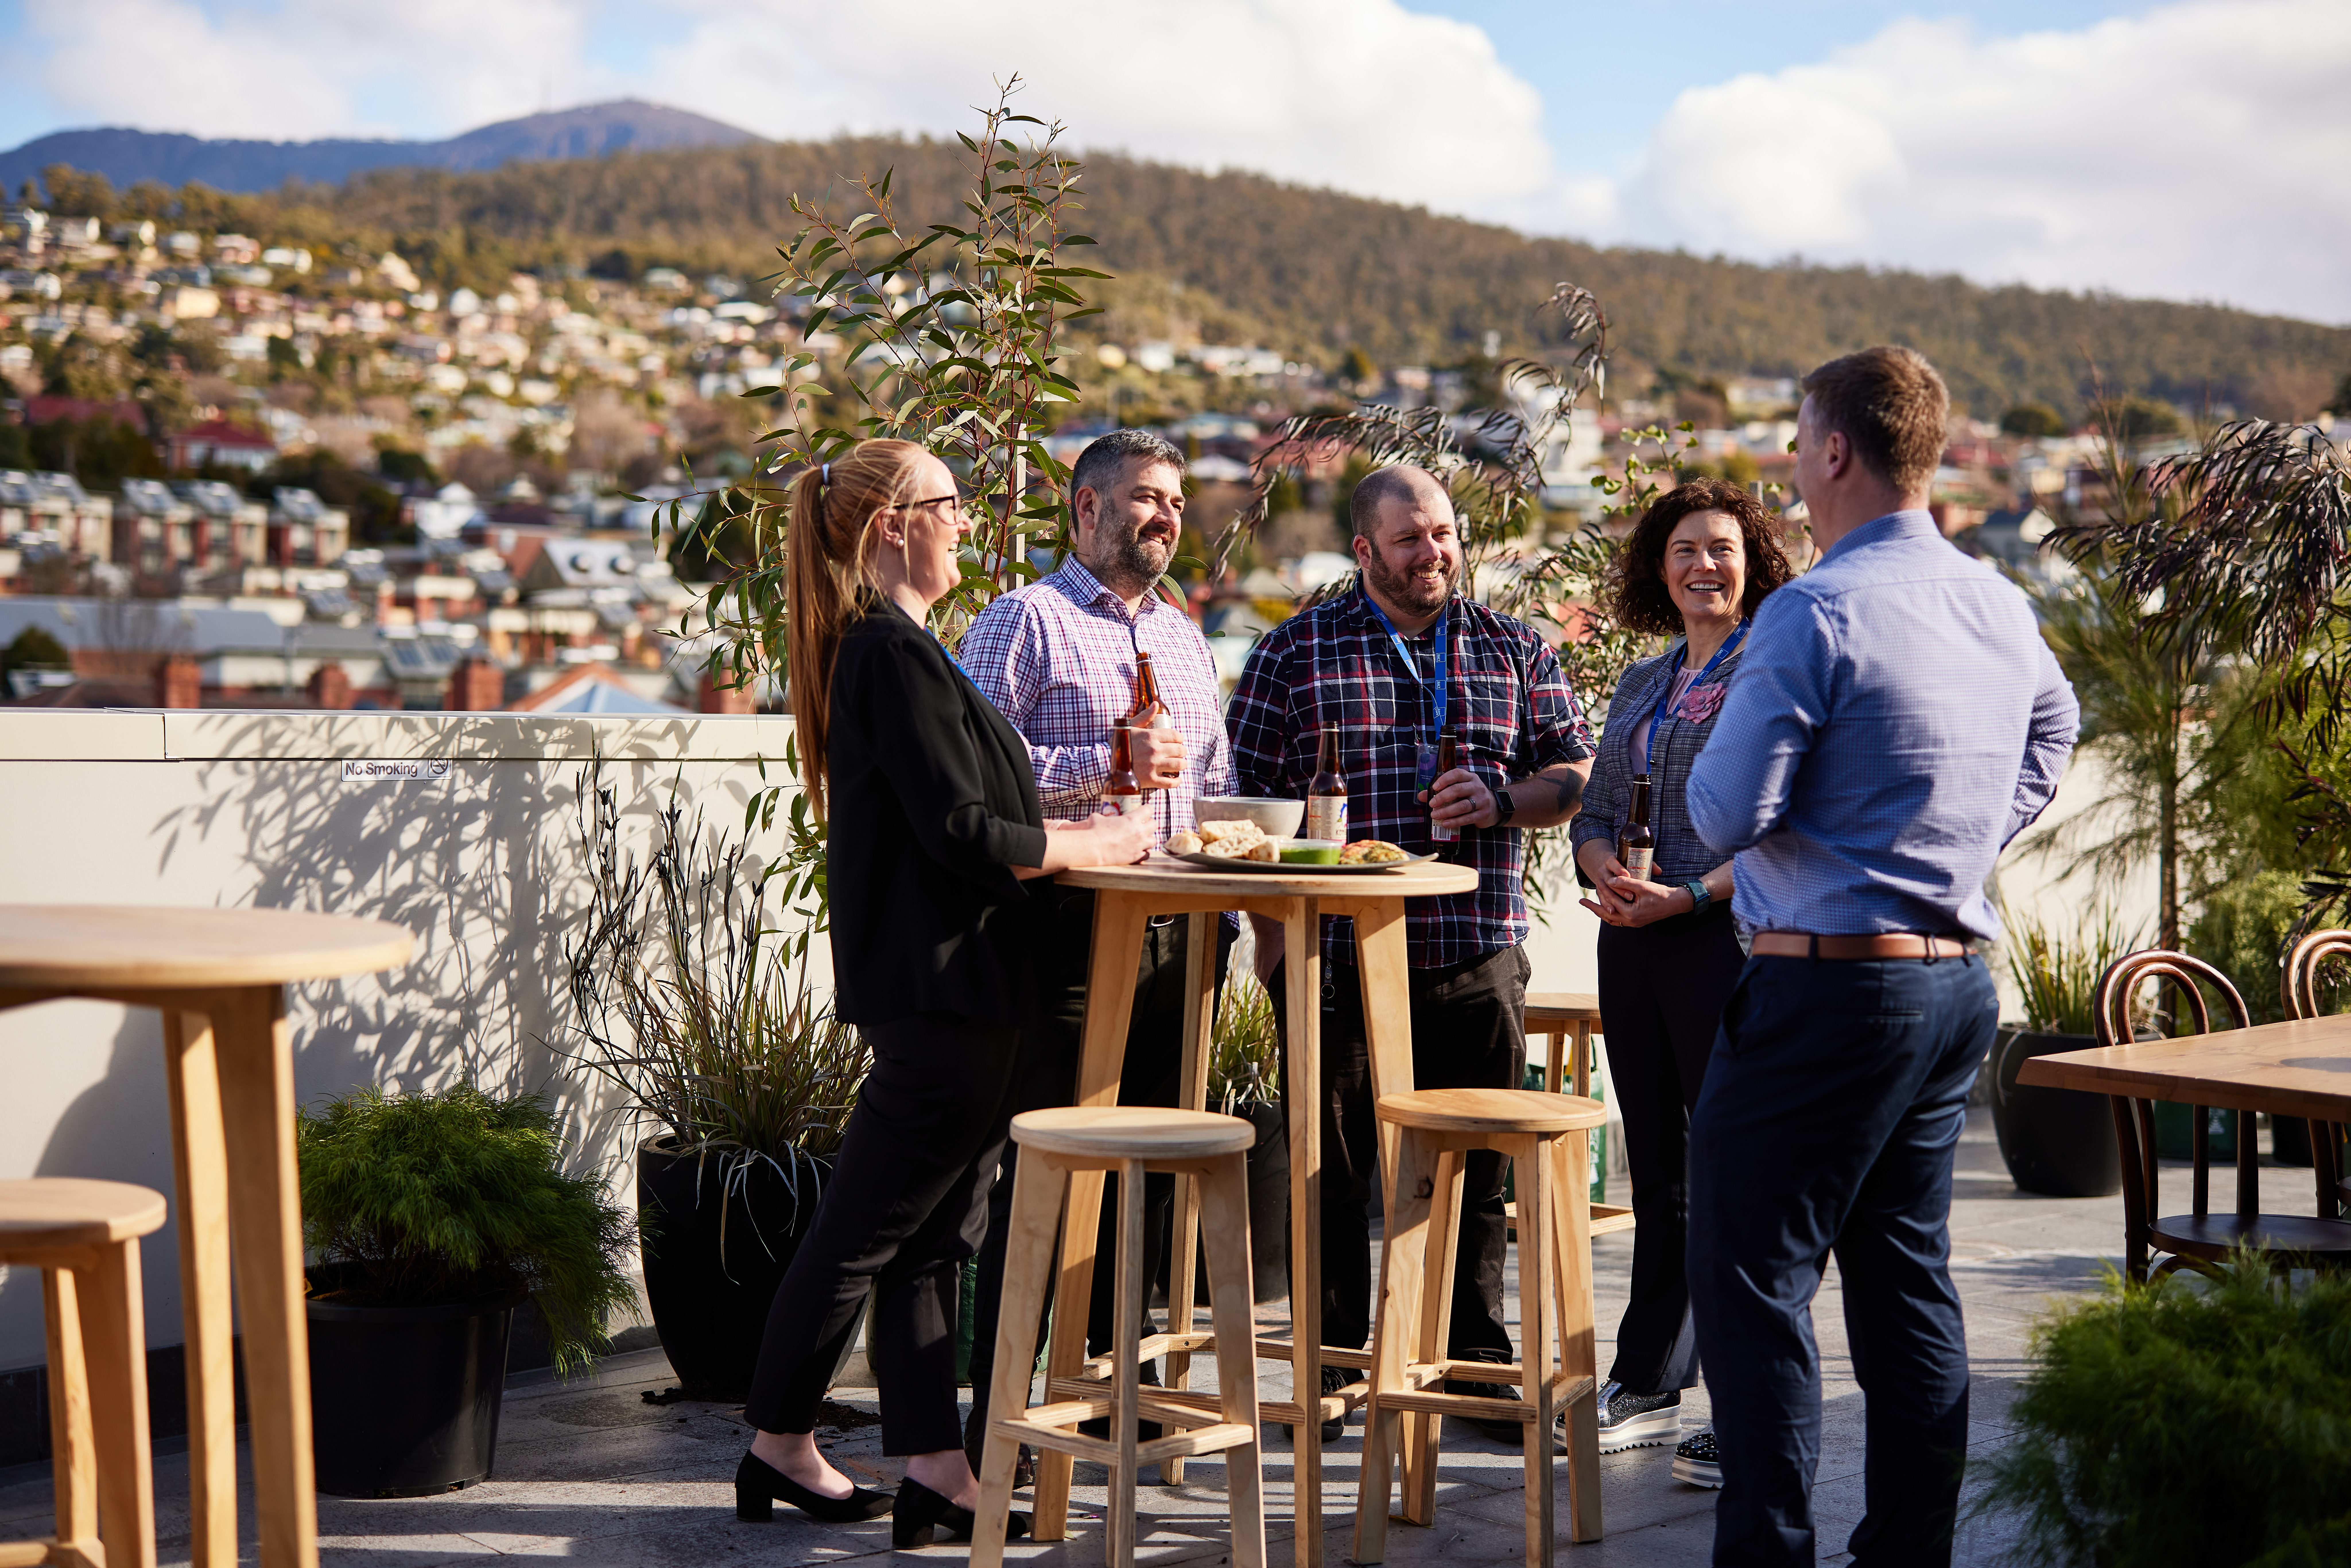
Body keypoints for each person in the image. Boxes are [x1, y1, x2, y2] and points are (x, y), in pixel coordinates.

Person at [1683, 347, 2079, 1565]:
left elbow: (1718, 814)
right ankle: (1905, 1554)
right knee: (1906, 1282)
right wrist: (1953, 841)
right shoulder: (1997, 600)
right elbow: (2055, 728)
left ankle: (1769, 1554)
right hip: (1951, 982)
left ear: (1836, 451)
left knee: (1751, 1286)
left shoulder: (1811, 609)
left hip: (1826, 987)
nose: (1792, 467)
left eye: (1799, 442)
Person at [734, 438, 1152, 1546]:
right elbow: (965, 833)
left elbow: (964, 815)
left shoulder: (907, 651)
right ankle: (778, 1440)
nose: (968, 520)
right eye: (948, 503)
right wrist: (1088, 838)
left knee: (931, 1239)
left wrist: (1064, 834)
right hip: (945, 991)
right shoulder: (887, 653)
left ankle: (935, 1471)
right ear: (891, 528)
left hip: (966, 989)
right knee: (865, 1231)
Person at [1226, 463, 1594, 1441]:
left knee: (1476, 1173)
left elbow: (1578, 771)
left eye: (1442, 535)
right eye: (1408, 540)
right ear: (1363, 552)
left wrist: (1508, 800)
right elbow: (1242, 808)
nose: (1433, 554)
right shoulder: (1292, 655)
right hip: (1333, 962)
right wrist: (1272, 948)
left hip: (1477, 950)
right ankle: (1335, 1373)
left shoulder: (1515, 649)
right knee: (1330, 1179)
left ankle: (1473, 1365)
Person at [956, 427, 1239, 1468]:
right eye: (1142, 499)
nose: (1164, 516)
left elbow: (1208, 788)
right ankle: (1003, 1436)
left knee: (1148, 1185)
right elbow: (972, 780)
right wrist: (1098, 760)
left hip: (1179, 942)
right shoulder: (1018, 623)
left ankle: (1111, 1410)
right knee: (1043, 1181)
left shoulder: (1188, 639)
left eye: (1173, 501)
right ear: (1084, 509)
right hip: (1061, 941)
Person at [1568, 477, 1795, 1468]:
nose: (1705, 565)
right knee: (1657, 1165)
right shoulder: (1640, 683)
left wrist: (1693, 896)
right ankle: (1651, 1377)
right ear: (1658, 569)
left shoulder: (1772, 672)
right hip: (1633, 936)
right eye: (1685, 550)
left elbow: (1790, 830)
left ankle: (1743, 1408)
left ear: (1753, 563)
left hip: (1725, 937)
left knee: (1736, 1172)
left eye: (1723, 548)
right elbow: (1590, 813)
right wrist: (1603, 868)